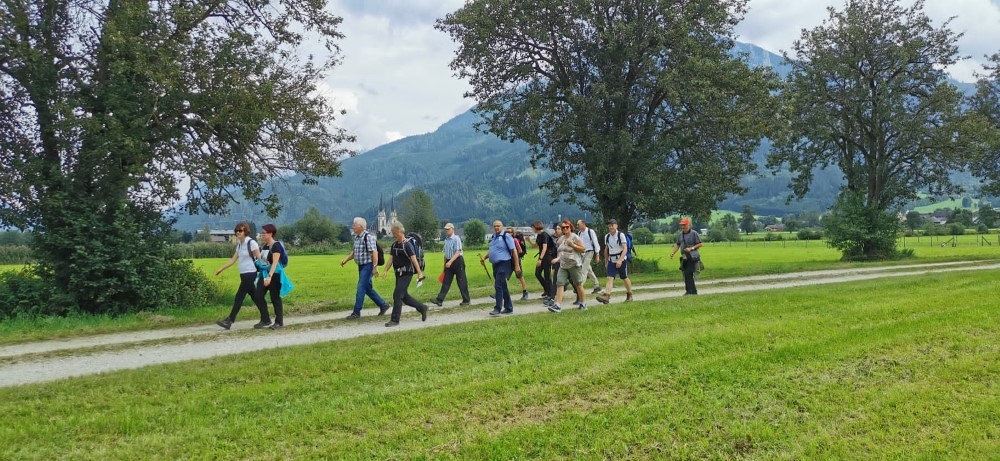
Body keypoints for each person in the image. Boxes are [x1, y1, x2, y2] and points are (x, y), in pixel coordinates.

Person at [214, 222, 268, 330]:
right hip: (243, 274)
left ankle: (229, 320)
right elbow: (233, 260)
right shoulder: (239, 244)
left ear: (246, 231)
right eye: (237, 231)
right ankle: (266, 319)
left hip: (250, 274)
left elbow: (260, 258)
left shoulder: (251, 243)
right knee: (256, 297)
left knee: (239, 297)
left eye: (240, 230)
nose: (238, 232)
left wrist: (269, 272)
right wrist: (221, 269)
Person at [340, 217, 391, 319]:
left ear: (361, 227)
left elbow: (374, 253)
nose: (353, 227)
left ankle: (356, 312)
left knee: (361, 287)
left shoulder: (369, 237)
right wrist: (346, 260)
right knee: (367, 288)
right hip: (361, 266)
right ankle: (383, 305)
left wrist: (374, 267)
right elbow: (355, 252)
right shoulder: (356, 237)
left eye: (354, 225)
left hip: (368, 266)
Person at [380, 221, 429, 327]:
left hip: (407, 273)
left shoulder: (407, 245)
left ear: (399, 231)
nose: (393, 235)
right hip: (398, 273)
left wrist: (419, 273)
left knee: (397, 295)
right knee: (404, 296)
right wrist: (385, 270)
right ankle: (422, 308)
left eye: (394, 233)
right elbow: (391, 259)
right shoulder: (394, 245)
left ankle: (395, 320)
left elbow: (414, 259)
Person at [480, 220, 521, 316]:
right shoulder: (493, 237)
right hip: (495, 265)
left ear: (502, 227)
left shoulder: (506, 236)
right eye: (494, 226)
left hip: (504, 263)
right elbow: (492, 250)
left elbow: (514, 251)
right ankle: (509, 307)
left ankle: (497, 308)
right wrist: (484, 258)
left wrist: (517, 265)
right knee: (503, 286)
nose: (496, 227)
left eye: (498, 226)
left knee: (498, 285)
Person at [546, 220, 587, 312]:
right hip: (563, 265)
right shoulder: (561, 239)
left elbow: (583, 249)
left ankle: (583, 303)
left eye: (567, 227)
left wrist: (573, 245)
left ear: (570, 227)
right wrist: (557, 258)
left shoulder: (575, 237)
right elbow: (559, 251)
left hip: (574, 265)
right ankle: (557, 305)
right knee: (559, 283)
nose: (565, 229)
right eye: (563, 227)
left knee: (578, 285)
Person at [256, 223, 289, 330]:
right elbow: (263, 261)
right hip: (265, 273)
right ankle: (265, 319)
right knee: (258, 295)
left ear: (271, 233)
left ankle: (279, 322)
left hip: (275, 275)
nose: (262, 235)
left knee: (274, 297)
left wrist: (269, 277)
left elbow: (275, 263)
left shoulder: (276, 246)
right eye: (262, 233)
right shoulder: (265, 246)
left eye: (264, 233)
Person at [431, 223, 471, 307]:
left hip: (457, 261)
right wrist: (444, 266)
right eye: (445, 229)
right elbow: (446, 254)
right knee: (446, 281)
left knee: (461, 281)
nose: (446, 231)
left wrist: (450, 262)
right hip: (449, 261)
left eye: (448, 229)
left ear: (452, 229)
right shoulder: (446, 240)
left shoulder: (456, 238)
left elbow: (458, 251)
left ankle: (466, 300)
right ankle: (439, 300)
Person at [596, 219, 634, 304]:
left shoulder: (621, 235)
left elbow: (625, 248)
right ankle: (607, 296)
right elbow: (606, 250)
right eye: (609, 225)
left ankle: (629, 294)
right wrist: (606, 261)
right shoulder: (607, 236)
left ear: (616, 226)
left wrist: (620, 260)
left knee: (624, 277)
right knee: (609, 277)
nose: (610, 227)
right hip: (611, 260)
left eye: (612, 225)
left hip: (621, 259)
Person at [671, 217, 703, 295]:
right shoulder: (680, 235)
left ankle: (690, 291)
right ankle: (692, 291)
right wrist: (673, 252)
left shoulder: (694, 233)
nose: (683, 226)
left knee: (688, 273)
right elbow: (678, 244)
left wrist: (691, 248)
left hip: (692, 257)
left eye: (684, 225)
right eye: (682, 225)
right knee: (686, 274)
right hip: (684, 257)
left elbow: (700, 244)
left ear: (688, 225)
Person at [576, 219, 603, 294]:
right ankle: (597, 286)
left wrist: (597, 254)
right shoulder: (579, 233)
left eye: (578, 224)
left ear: (583, 224)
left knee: (583, 270)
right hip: (582, 253)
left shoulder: (590, 231)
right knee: (589, 270)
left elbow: (595, 242)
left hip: (590, 252)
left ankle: (579, 287)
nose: (577, 226)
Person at [530, 220, 555, 300]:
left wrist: (540, 259)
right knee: (537, 273)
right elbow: (535, 246)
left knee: (547, 275)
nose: (532, 229)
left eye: (532, 227)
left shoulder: (544, 235)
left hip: (547, 256)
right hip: (542, 256)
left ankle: (550, 293)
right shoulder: (539, 235)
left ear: (536, 227)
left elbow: (545, 248)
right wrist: (529, 241)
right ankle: (547, 289)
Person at [507, 226, 530, 300]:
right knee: (505, 276)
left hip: (515, 260)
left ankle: (525, 292)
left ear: (512, 233)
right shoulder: (505, 240)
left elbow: (520, 250)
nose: (508, 233)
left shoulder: (515, 240)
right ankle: (499, 292)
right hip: (508, 260)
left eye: (510, 232)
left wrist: (514, 254)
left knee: (520, 276)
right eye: (507, 232)